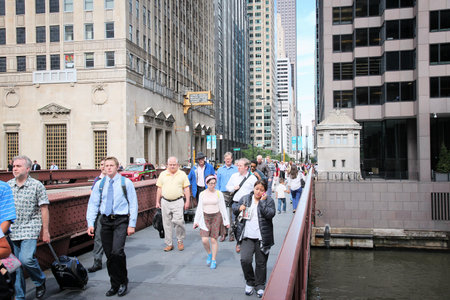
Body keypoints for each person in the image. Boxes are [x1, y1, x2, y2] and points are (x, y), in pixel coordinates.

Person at [86, 156, 138, 297]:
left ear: (117, 167)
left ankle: (123, 281)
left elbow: (133, 204)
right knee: (109, 255)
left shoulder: (125, 183)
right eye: (106, 165)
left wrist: (132, 224)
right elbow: (93, 205)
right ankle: (114, 284)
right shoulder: (100, 184)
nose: (108, 168)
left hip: (120, 220)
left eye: (111, 165)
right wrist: (90, 223)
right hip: (105, 221)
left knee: (117, 252)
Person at [8, 155, 50, 300]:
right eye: (13, 166)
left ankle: (40, 280)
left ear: (27, 169)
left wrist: (45, 231)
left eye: (18, 166)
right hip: (11, 230)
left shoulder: (37, 186)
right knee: (14, 265)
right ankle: (19, 296)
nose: (14, 169)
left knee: (26, 260)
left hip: (30, 228)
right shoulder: (8, 186)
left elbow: (44, 208)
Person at [233, 180, 275, 298]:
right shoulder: (246, 198)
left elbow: (270, 214)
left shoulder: (269, 200)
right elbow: (235, 209)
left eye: (261, 190)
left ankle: (260, 285)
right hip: (246, 235)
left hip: (262, 237)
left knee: (261, 263)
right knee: (245, 260)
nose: (258, 191)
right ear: (254, 188)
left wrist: (262, 203)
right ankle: (250, 281)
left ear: (264, 191)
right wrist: (238, 208)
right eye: (257, 188)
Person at [193, 175, 229, 269]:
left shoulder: (219, 193)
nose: (212, 185)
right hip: (205, 217)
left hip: (216, 216)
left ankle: (213, 259)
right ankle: (209, 253)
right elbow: (199, 208)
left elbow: (223, 208)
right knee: (204, 240)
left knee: (213, 239)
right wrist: (196, 221)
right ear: (206, 184)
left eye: (214, 183)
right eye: (210, 183)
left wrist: (226, 221)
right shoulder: (202, 194)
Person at [156, 157, 190, 252]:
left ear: (177, 165)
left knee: (179, 221)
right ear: (167, 165)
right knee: (166, 223)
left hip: (178, 201)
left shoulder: (182, 174)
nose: (172, 166)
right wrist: (157, 201)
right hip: (165, 201)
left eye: (174, 164)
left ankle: (180, 240)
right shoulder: (163, 174)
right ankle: (169, 243)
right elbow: (159, 188)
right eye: (170, 164)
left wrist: (187, 201)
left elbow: (186, 188)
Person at [226, 158, 258, 251]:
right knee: (235, 224)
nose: (238, 167)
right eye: (238, 165)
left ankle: (241, 243)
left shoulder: (252, 178)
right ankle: (238, 240)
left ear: (246, 167)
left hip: (246, 205)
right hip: (235, 204)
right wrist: (233, 188)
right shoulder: (234, 176)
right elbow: (228, 187)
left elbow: (256, 190)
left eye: (240, 166)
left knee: (244, 224)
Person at [87, 158, 107, 273]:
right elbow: (92, 197)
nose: (103, 167)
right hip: (100, 213)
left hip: (112, 214)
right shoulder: (97, 180)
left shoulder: (115, 180)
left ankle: (112, 260)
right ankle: (97, 261)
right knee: (98, 238)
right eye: (101, 165)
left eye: (105, 164)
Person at [216, 152, 238, 242]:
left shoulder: (236, 169)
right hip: (223, 193)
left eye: (229, 158)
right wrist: (217, 194)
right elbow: (218, 182)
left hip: (233, 193)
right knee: (222, 214)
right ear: (224, 159)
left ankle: (231, 234)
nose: (228, 160)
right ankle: (223, 233)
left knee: (232, 215)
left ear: (232, 159)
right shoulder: (220, 170)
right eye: (226, 159)